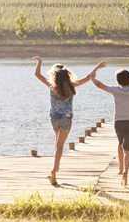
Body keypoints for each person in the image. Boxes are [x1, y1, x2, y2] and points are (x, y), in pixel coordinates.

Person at [33, 57, 98, 186]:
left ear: (54, 75)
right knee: (60, 145)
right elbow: (89, 77)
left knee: (57, 144)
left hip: (54, 117)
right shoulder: (71, 85)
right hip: (66, 118)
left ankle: (54, 171)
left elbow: (37, 75)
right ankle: (54, 171)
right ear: (66, 74)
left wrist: (40, 62)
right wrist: (97, 67)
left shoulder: (52, 85)